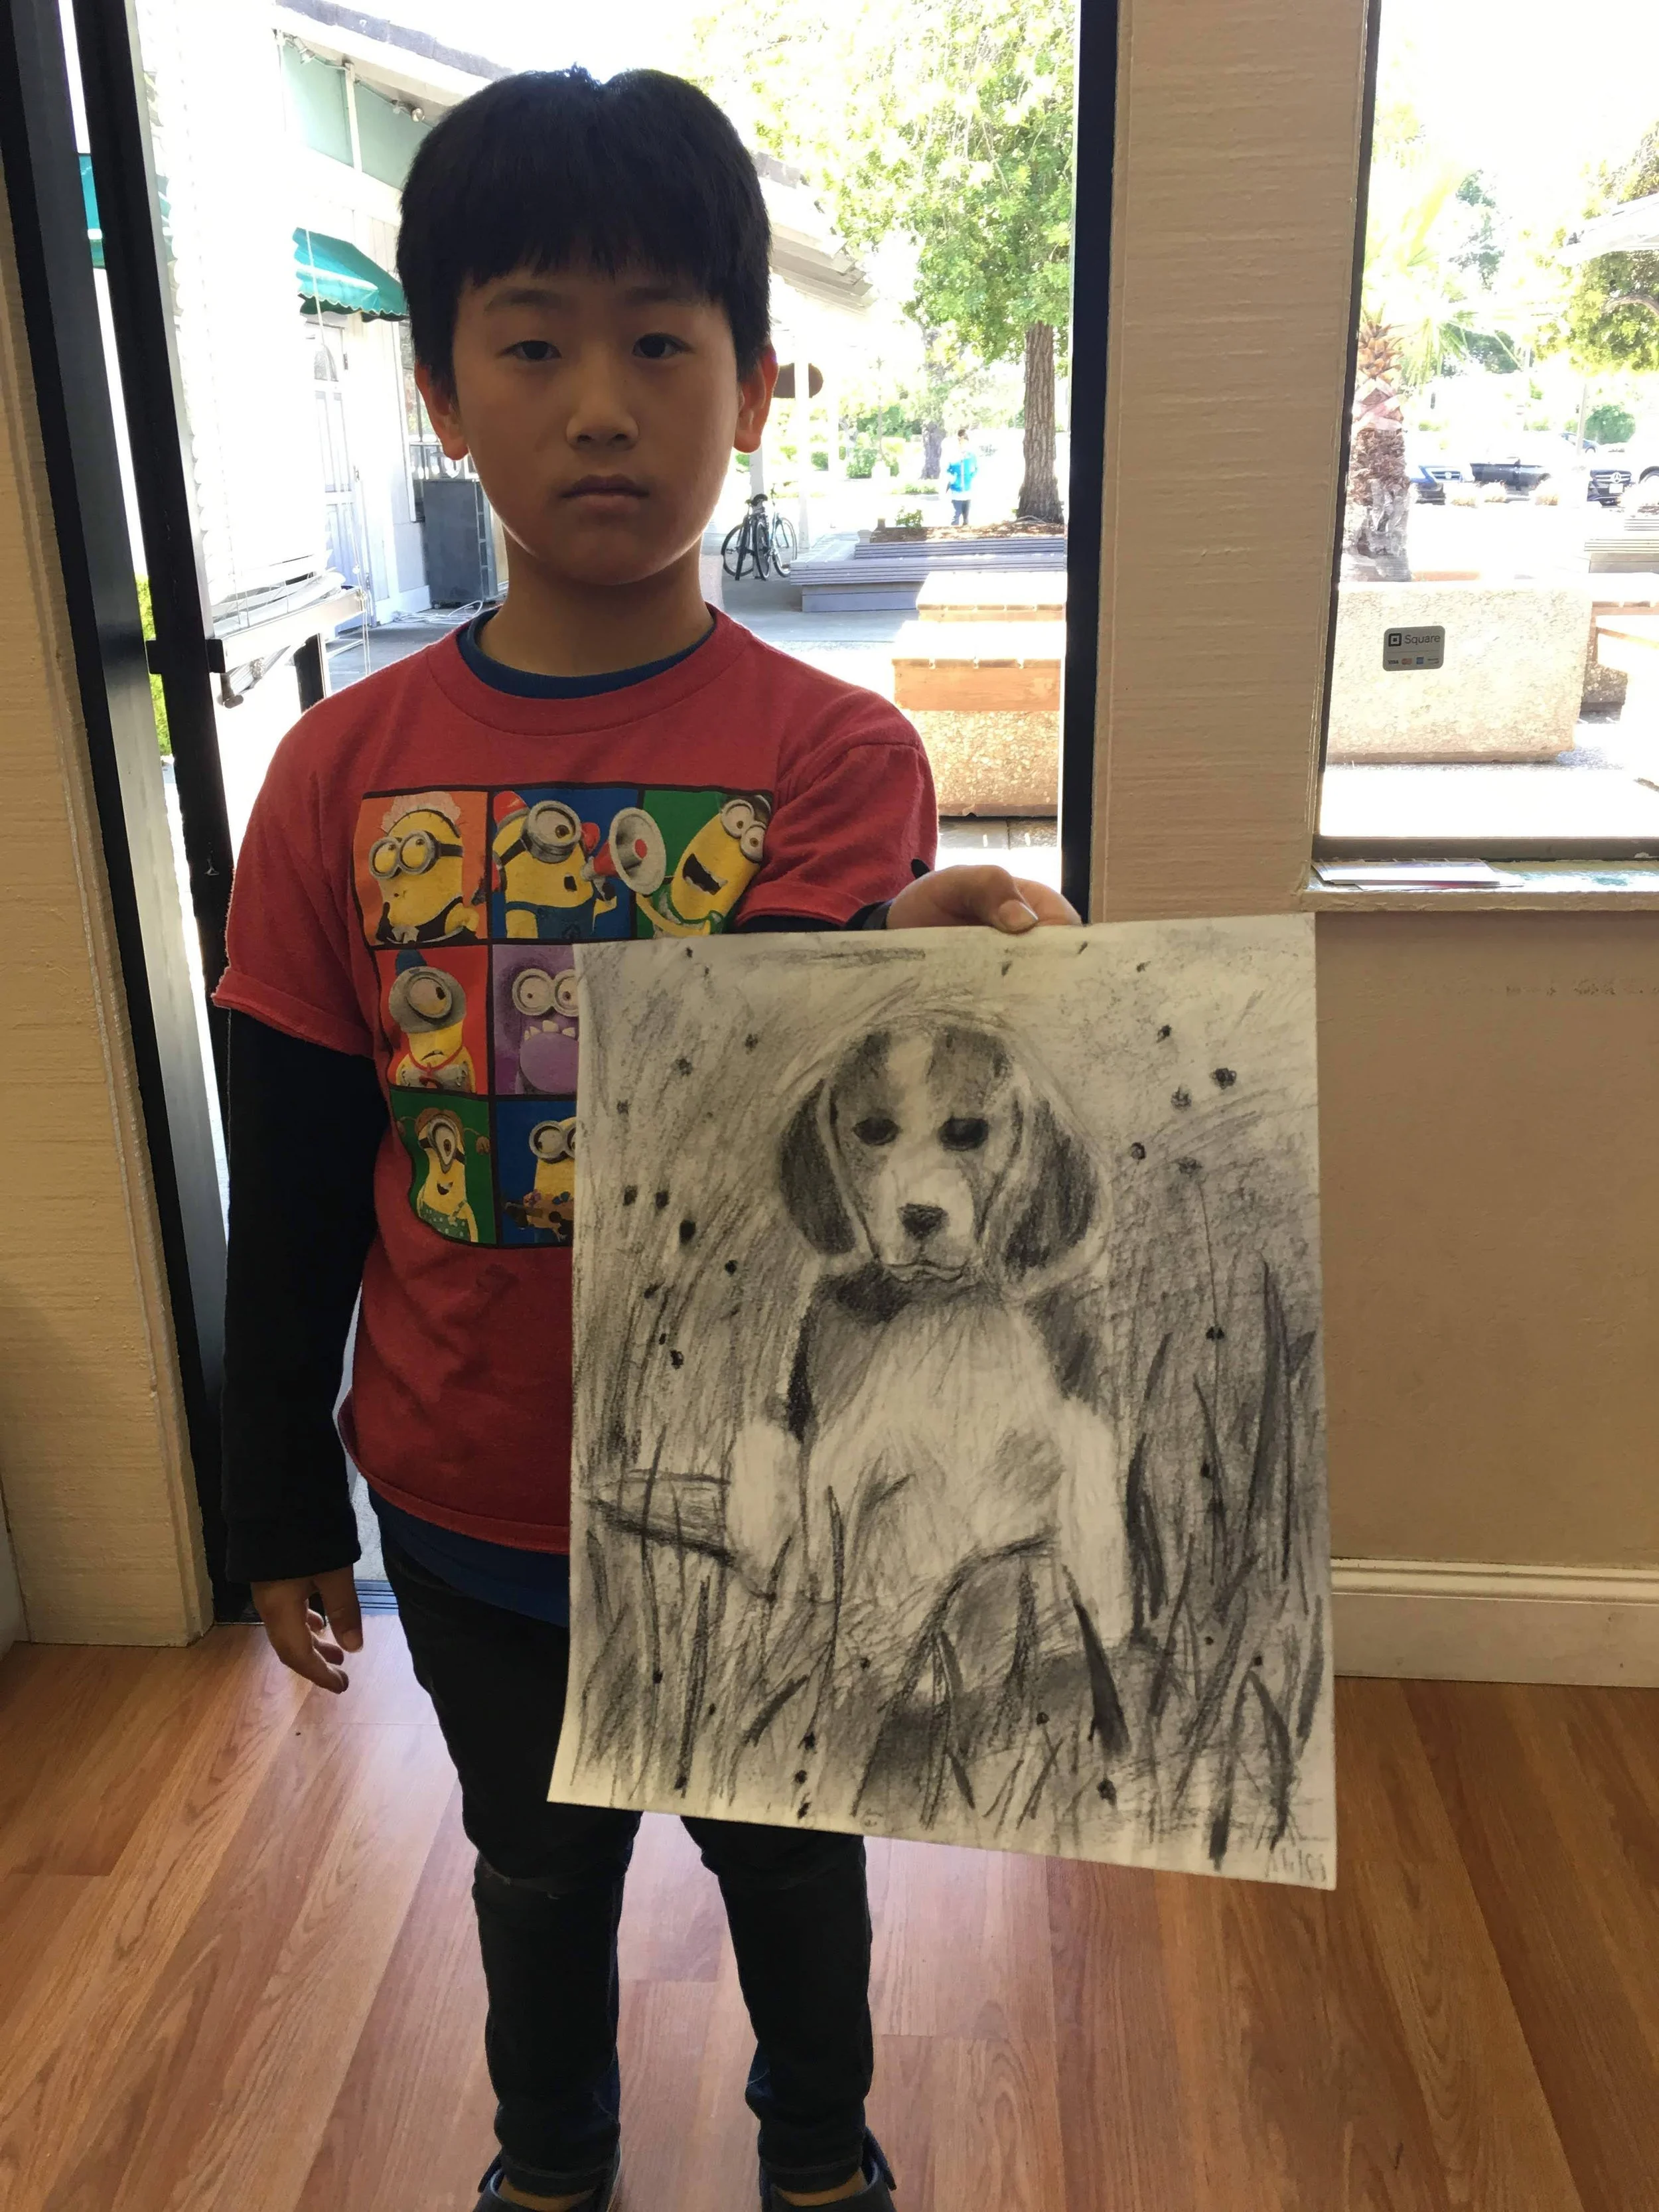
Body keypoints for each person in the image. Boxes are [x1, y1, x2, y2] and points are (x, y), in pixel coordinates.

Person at [216, 68, 1075, 2212]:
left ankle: (819, 2153)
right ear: (438, 396)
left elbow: (759, 1076)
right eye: (531, 344)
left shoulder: (837, 754)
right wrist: (272, 1480)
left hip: (764, 1473)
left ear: (758, 390)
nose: (601, 406)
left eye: (663, 343)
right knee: (530, 1865)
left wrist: (895, 960)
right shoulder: (334, 776)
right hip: (466, 1487)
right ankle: (553, 2161)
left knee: (792, 1850)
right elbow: (297, 1160)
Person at [945, 429, 977, 524]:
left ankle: (966, 531)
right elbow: (947, 470)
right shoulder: (953, 455)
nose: (961, 443)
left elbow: (976, 468)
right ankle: (953, 532)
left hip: (967, 490)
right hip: (956, 490)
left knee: (966, 516)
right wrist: (953, 478)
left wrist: (971, 477)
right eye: (960, 441)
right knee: (956, 514)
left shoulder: (971, 456)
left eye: (964, 441)